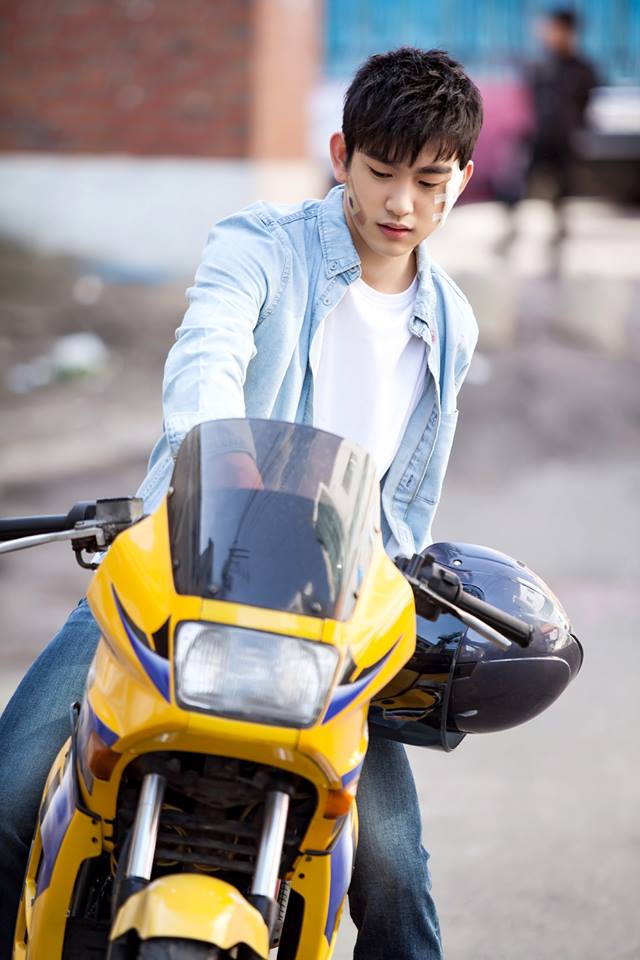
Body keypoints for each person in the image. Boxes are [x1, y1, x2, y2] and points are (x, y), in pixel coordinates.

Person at [0, 47, 482, 959]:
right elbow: (208, 352)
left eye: (429, 181)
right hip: (187, 566)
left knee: (395, 877)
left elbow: (402, 508)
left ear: (463, 176)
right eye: (381, 172)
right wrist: (223, 461)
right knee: (9, 794)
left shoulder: (452, 322)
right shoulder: (261, 245)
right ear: (340, 155)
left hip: (325, 621)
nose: (402, 204)